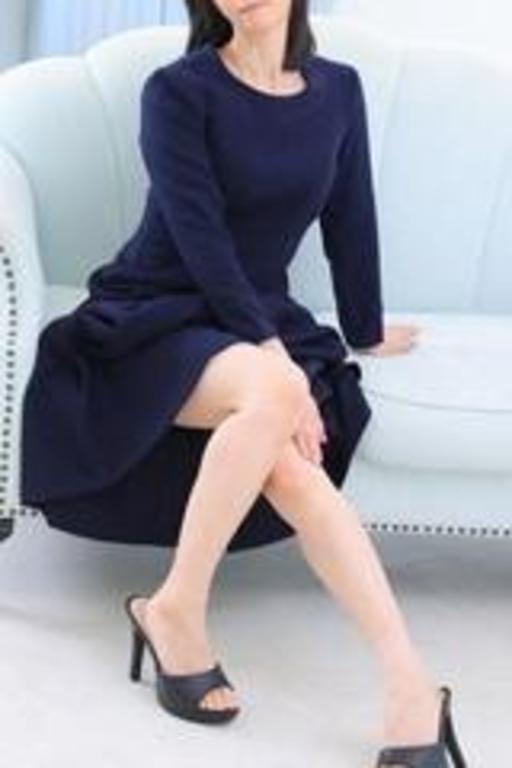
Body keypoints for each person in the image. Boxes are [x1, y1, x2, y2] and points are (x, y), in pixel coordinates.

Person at [20, 0, 467, 763]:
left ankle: (401, 686)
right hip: (157, 311)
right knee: (275, 397)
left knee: (286, 458)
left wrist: (362, 329)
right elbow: (200, 239)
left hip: (256, 315)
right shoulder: (178, 91)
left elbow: (350, 217)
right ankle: (190, 619)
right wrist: (273, 357)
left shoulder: (339, 90)